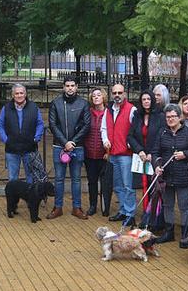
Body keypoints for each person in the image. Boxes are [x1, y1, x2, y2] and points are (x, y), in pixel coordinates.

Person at [150, 104, 188, 243]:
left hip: (184, 176)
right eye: (168, 117)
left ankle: (186, 232)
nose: (170, 119)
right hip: (166, 176)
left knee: (184, 206)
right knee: (167, 205)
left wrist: (185, 154)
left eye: (173, 116)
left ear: (180, 117)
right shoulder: (162, 133)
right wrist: (157, 165)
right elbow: (155, 152)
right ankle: (169, 232)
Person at [47, 76, 91, 219]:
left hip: (77, 147)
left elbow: (86, 125)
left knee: (76, 179)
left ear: (77, 87)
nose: (70, 88)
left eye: (73, 85)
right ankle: (58, 207)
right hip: (59, 146)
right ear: (63, 87)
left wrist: (73, 142)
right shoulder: (55, 103)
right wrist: (65, 142)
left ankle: (76, 208)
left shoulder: (83, 104)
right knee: (59, 179)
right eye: (67, 85)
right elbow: (53, 125)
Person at [100, 84, 135, 228]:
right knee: (118, 186)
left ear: (125, 93)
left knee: (128, 186)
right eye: (114, 92)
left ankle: (130, 214)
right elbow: (103, 128)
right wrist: (105, 140)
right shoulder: (108, 110)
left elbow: (135, 129)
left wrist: (130, 143)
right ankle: (123, 210)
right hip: (112, 153)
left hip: (125, 154)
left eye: (120, 92)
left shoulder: (132, 109)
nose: (117, 95)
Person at [0, 83, 45, 183]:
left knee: (31, 178)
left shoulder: (34, 107)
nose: (19, 95)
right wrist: (6, 139)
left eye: (21, 93)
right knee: (13, 178)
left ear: (25, 94)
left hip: (30, 149)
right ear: (13, 95)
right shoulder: (6, 108)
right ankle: (13, 199)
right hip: (12, 150)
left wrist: (36, 138)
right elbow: (0, 126)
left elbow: (40, 124)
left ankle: (30, 198)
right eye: (16, 93)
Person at [127, 90, 165, 213]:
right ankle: (146, 214)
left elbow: (161, 136)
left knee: (155, 187)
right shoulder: (137, 115)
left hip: (155, 157)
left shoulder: (160, 116)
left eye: (148, 99)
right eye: (144, 99)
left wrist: (151, 153)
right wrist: (139, 150)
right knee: (144, 186)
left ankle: (156, 217)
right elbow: (130, 136)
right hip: (141, 156)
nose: (146, 102)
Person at [84, 88, 114, 217]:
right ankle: (92, 205)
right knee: (92, 181)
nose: (96, 97)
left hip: (104, 153)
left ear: (104, 97)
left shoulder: (109, 113)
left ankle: (105, 206)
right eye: (94, 96)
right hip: (89, 153)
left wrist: (109, 151)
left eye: (98, 95)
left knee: (106, 182)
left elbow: (112, 133)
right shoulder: (88, 113)